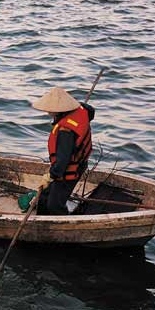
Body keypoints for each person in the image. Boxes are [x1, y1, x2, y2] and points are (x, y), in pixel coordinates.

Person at [22, 86, 95, 215]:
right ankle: (42, 219)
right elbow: (90, 111)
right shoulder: (83, 110)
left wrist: (51, 176)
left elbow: (62, 162)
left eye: (50, 109)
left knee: (54, 205)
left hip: (70, 170)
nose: (48, 111)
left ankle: (63, 223)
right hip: (77, 162)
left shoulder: (65, 131)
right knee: (44, 196)